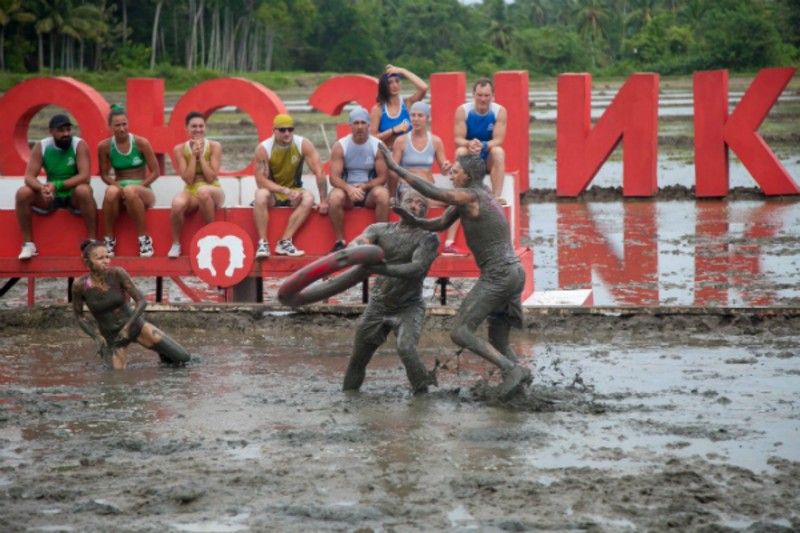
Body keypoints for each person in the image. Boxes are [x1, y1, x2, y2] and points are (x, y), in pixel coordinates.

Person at [380, 144, 532, 400]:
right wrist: (413, 220)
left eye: (456, 171)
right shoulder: (476, 197)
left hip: (500, 275)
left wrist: (396, 169)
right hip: (514, 273)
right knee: (498, 339)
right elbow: (439, 223)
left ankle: (512, 370)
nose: (451, 173)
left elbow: (433, 190)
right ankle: (520, 385)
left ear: (468, 177)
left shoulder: (471, 197)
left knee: (459, 331)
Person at [343, 190, 440, 395]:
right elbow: (358, 242)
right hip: (378, 304)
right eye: (410, 201)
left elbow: (416, 269)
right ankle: (348, 397)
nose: (414, 206)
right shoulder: (379, 229)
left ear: (426, 212)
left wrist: (379, 269)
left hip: (409, 305)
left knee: (406, 349)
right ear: (399, 205)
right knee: (358, 358)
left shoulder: (428, 238)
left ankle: (423, 397)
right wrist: (358, 248)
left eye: (420, 204)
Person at [72, 240, 191, 369]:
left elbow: (141, 301)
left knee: (183, 358)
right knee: (116, 380)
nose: (106, 261)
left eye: (107, 257)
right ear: (86, 262)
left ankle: (162, 354)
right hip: (113, 338)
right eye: (100, 258)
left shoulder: (117, 273)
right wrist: (96, 337)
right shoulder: (79, 286)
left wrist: (126, 328)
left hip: (135, 326)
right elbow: (80, 317)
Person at [15, 114, 97, 260]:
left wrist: (57, 185)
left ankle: (92, 243)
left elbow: (85, 176)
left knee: (84, 189)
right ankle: (28, 245)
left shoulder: (79, 144)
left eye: (68, 129)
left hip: (74, 196)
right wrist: (42, 189)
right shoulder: (42, 146)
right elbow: (29, 176)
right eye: (61, 130)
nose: (66, 134)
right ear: (51, 131)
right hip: (51, 196)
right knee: (23, 193)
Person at [252, 113, 328, 258]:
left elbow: (320, 171)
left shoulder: (302, 144)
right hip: (274, 191)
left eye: (290, 129)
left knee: (309, 198)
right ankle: (263, 243)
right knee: (260, 195)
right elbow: (260, 181)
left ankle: (285, 241)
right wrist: (283, 190)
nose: (287, 133)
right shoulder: (264, 148)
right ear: (274, 130)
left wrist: (324, 200)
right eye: (282, 130)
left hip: (294, 189)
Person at [390, 101, 462, 253]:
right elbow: (393, 169)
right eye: (413, 115)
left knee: (459, 201)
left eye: (420, 116)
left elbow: (444, 170)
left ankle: (448, 243)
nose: (415, 119)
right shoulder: (401, 141)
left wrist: (446, 167)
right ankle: (407, 244)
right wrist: (393, 194)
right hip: (408, 188)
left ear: (427, 118)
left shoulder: (435, 141)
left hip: (429, 189)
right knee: (416, 199)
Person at [98, 105, 160, 257]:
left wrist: (139, 187)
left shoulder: (141, 143)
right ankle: (109, 240)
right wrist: (117, 187)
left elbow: (156, 172)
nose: (121, 129)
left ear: (128, 123)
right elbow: (105, 175)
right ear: (110, 127)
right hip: (120, 187)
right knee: (111, 192)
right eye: (117, 125)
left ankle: (144, 239)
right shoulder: (104, 146)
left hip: (143, 190)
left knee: (130, 191)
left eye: (124, 124)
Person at [327, 106, 390, 252]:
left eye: (363, 123)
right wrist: (349, 189)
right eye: (356, 123)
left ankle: (382, 240)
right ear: (350, 125)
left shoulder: (378, 145)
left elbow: (383, 177)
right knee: (335, 197)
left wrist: (365, 187)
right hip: (348, 193)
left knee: (383, 194)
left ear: (368, 124)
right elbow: (334, 178)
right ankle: (340, 241)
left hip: (368, 193)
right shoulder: (341, 146)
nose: (360, 127)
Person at [168, 111, 224, 258]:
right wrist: (193, 156)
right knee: (177, 203)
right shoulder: (179, 149)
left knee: (204, 191)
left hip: (213, 190)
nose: (198, 130)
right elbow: (188, 179)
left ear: (205, 128)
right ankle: (176, 244)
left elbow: (211, 177)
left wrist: (201, 157)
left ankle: (210, 237)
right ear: (187, 128)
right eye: (194, 127)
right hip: (191, 189)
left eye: (201, 126)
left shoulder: (214, 146)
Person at [454, 78, 508, 208]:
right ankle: (461, 193)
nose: (483, 99)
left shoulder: (499, 111)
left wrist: (484, 146)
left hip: (487, 154)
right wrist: (469, 144)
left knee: (498, 151)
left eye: (486, 96)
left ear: (492, 96)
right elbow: (458, 139)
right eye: (479, 95)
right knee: (460, 151)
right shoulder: (463, 110)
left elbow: (499, 140)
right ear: (473, 94)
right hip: (470, 153)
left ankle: (496, 196)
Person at [369, 64, 428, 149]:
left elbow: (423, 87)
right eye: (390, 82)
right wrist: (393, 130)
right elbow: (372, 138)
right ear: (384, 86)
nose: (395, 85)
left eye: (397, 81)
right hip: (388, 155)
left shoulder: (408, 104)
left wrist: (402, 70)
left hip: (408, 154)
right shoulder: (378, 109)